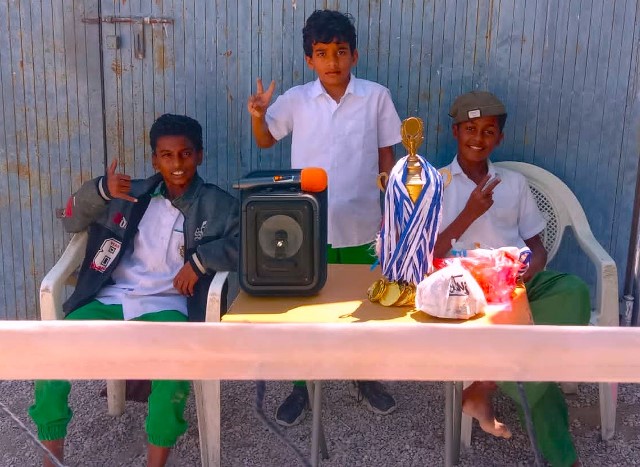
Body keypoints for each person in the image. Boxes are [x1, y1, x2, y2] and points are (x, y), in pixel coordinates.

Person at [29, 114, 240, 467]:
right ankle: (52, 459)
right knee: (50, 353)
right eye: (166, 155)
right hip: (113, 298)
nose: (177, 163)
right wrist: (101, 190)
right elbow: (71, 219)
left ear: (200, 155)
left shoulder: (217, 204)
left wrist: (202, 261)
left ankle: (155, 462)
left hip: (170, 306)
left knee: (173, 372)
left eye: (186, 154)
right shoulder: (130, 194)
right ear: (155, 159)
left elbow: (248, 241)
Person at [247, 9, 402, 426]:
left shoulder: (376, 97)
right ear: (309, 59)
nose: (332, 61)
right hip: (308, 225)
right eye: (322, 53)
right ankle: (302, 384)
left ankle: (363, 375)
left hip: (362, 223)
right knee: (305, 305)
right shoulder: (297, 99)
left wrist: (392, 207)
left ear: (354, 55)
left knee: (363, 302)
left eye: (340, 51)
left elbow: (387, 153)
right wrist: (259, 116)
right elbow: (266, 141)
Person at [434, 91, 589, 467]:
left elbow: (536, 245)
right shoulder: (436, 183)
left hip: (515, 282)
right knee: (536, 363)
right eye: (470, 128)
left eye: (488, 131)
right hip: (467, 290)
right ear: (455, 132)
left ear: (499, 139)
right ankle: (564, 460)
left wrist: (532, 266)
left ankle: (483, 385)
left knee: (574, 290)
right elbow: (430, 252)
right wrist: (469, 212)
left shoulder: (514, 184)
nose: (478, 138)